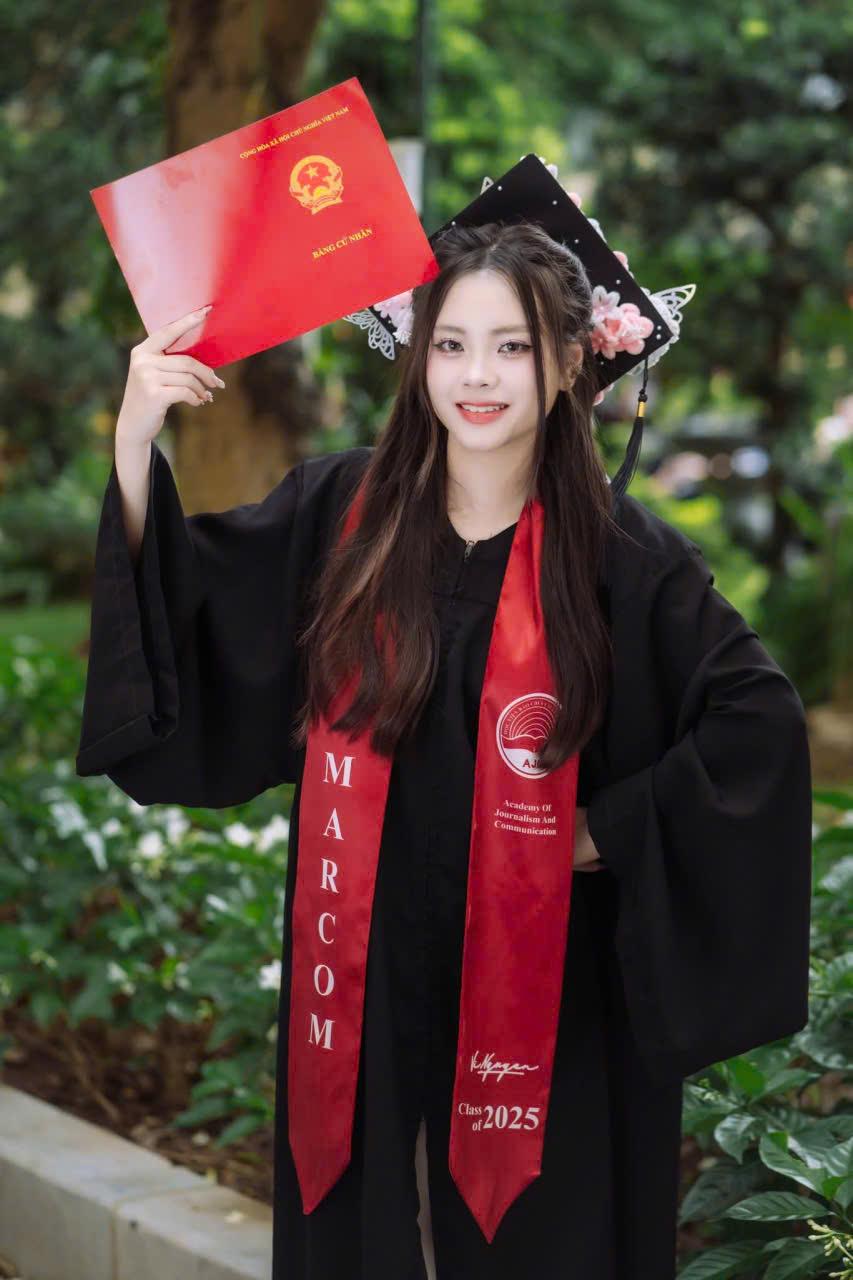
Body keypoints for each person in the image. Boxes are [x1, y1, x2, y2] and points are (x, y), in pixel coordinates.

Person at [76, 157, 813, 1280]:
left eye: (512, 347)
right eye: (451, 344)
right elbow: (186, 615)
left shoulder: (626, 559)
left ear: (569, 364)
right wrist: (137, 438)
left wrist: (600, 830)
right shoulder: (342, 514)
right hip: (361, 966)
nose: (477, 376)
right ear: (417, 358)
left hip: (546, 990)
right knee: (364, 1225)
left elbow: (757, 725)